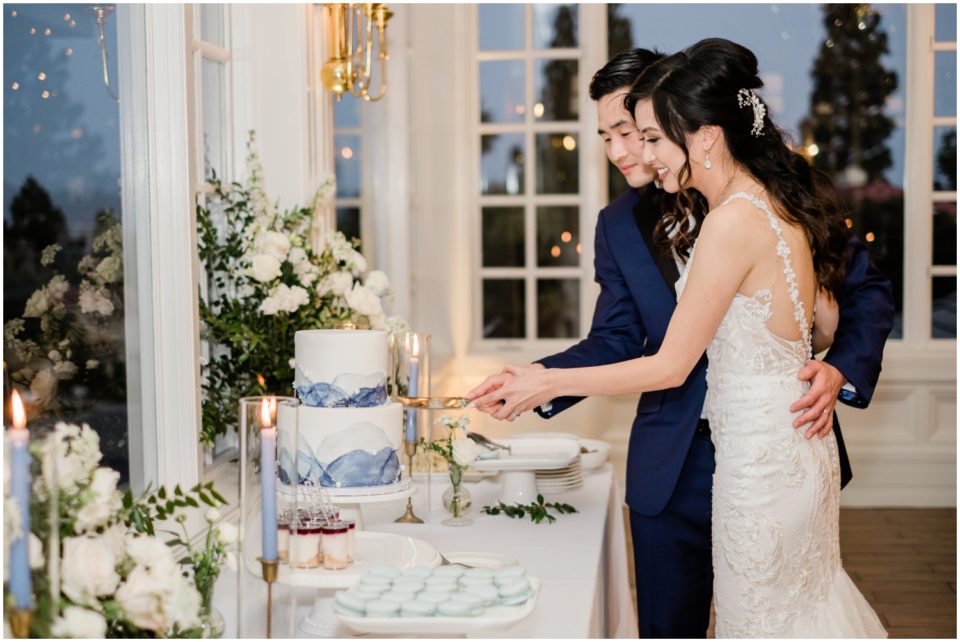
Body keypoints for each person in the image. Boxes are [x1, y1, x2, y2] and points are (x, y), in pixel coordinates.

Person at [468, 41, 893, 638]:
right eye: (609, 137)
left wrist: (838, 368)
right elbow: (615, 337)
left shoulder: (780, 188)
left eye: (637, 132)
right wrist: (538, 379)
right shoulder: (619, 225)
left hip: (772, 447)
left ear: (682, 119)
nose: (624, 151)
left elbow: (861, 293)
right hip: (674, 459)